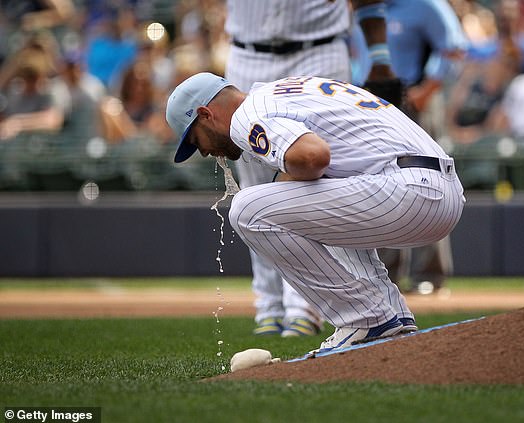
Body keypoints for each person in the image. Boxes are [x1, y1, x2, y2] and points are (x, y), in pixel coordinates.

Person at [165, 72, 465, 352]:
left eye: (196, 140)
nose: (204, 152)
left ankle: (364, 318)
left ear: (206, 114)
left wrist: (282, 184)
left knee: (248, 209)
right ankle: (392, 317)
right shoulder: (281, 91)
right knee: (307, 202)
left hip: (410, 190)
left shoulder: (247, 115)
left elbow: (311, 156)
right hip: (434, 186)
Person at [222, 0, 399, 337]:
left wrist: (379, 57)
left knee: (313, 177)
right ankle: (269, 305)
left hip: (319, 51)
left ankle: (304, 304)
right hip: (246, 55)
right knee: (253, 186)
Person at [352, 0, 468, 294]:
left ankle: (430, 274)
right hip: (370, 103)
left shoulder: (426, 5)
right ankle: (387, 275)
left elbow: (453, 49)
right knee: (380, 183)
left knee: (429, 180)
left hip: (412, 99)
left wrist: (427, 90)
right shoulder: (362, 6)